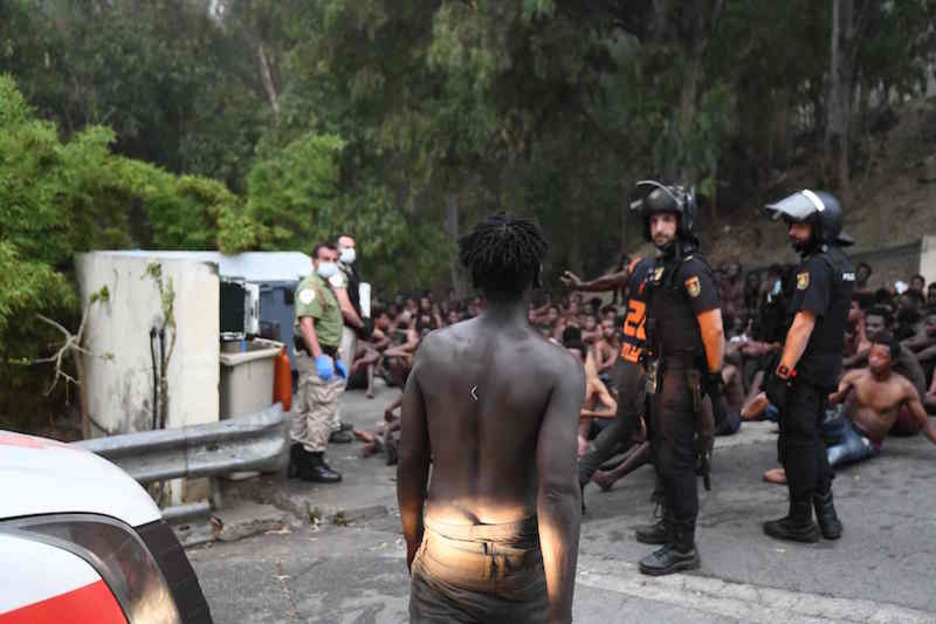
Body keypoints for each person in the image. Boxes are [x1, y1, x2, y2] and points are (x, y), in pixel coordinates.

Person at [398, 213, 584, 624]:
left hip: (443, 556)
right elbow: (557, 493)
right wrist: (561, 611)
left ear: (475, 277)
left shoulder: (432, 351)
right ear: (535, 276)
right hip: (517, 568)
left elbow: (410, 460)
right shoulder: (558, 368)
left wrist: (413, 544)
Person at [629, 180, 726, 576]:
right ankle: (670, 524)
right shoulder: (662, 268)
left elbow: (714, 329)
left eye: (667, 219)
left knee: (679, 460)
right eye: (654, 221)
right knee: (663, 456)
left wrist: (714, 378)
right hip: (661, 372)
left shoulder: (691, 269)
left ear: (682, 222)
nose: (659, 229)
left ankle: (683, 546)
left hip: (682, 376)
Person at [762, 189, 855, 543]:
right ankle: (827, 517)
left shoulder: (815, 266)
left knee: (797, 443)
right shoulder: (842, 262)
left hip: (804, 368)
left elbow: (803, 324)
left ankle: (800, 521)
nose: (791, 232)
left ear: (821, 226)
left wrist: (782, 373)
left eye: (799, 226)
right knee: (813, 438)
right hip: (825, 367)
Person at [560, 254, 654, 505]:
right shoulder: (669, 267)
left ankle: (584, 477)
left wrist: (582, 286)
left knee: (628, 423)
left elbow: (615, 280)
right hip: (650, 364)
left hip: (630, 358)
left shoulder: (641, 265)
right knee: (661, 427)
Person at [288, 243, 348, 483]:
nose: (330, 263)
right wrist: (321, 356)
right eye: (325, 258)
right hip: (316, 356)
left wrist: (335, 356)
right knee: (322, 408)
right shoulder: (311, 287)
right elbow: (306, 324)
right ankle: (313, 460)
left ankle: (298, 460)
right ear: (314, 261)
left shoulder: (324, 285)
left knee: (305, 406)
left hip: (322, 354)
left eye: (334, 259)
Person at [328, 234, 366, 444]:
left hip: (349, 329)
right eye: (346, 247)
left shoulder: (349, 271)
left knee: (342, 379)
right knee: (336, 379)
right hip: (340, 329)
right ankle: (331, 425)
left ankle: (335, 419)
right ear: (337, 249)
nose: (350, 250)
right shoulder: (335, 272)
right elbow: (344, 306)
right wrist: (361, 324)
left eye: (353, 246)